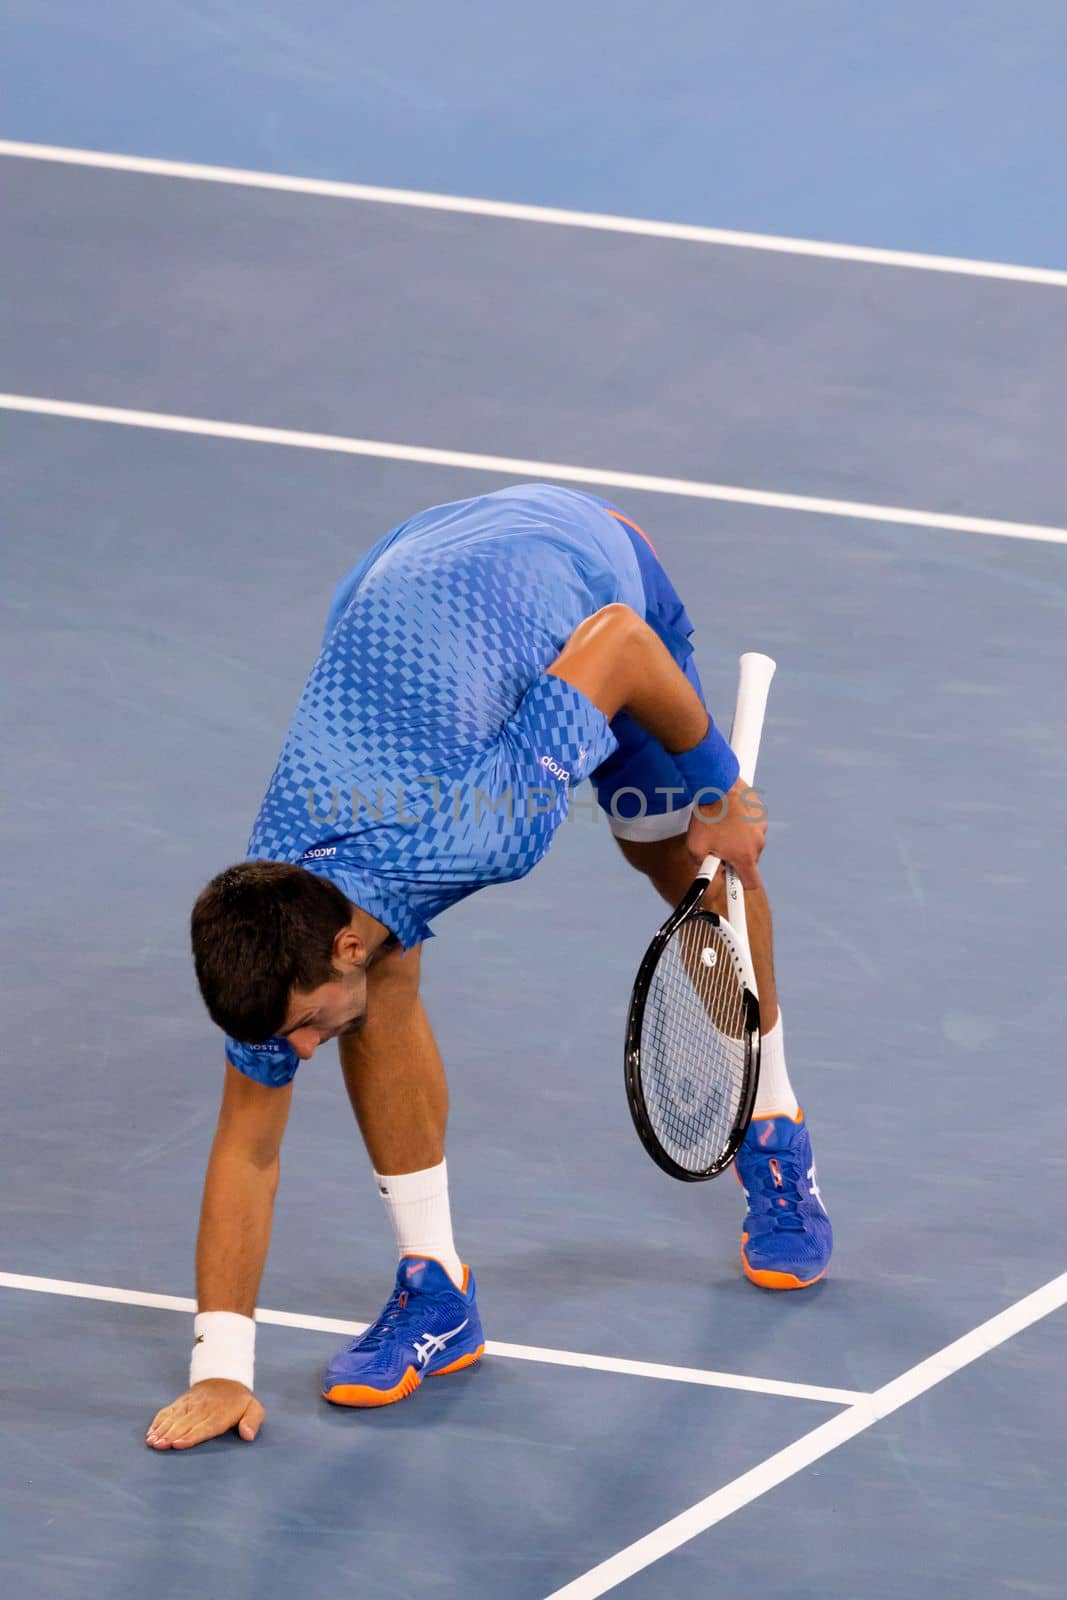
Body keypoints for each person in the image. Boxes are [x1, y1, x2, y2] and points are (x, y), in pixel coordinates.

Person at [145, 484, 831, 1451]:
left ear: (337, 941)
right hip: (411, 596)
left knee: (680, 861)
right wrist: (220, 1369)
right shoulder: (273, 915)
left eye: (297, 1026)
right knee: (376, 995)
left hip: (582, 573)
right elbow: (247, 1144)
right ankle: (437, 1292)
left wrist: (720, 786)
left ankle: (771, 1120)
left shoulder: (482, 828)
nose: (293, 1051)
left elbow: (621, 644)